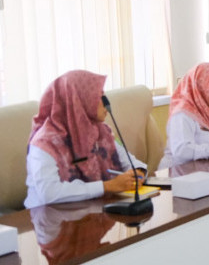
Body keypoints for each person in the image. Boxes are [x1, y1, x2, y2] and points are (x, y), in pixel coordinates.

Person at [25, 70, 146, 209]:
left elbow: (130, 161)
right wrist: (108, 186)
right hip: (50, 219)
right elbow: (49, 193)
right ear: (78, 100)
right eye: (100, 97)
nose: (107, 103)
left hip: (92, 212)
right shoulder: (44, 144)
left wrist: (138, 172)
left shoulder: (101, 131)